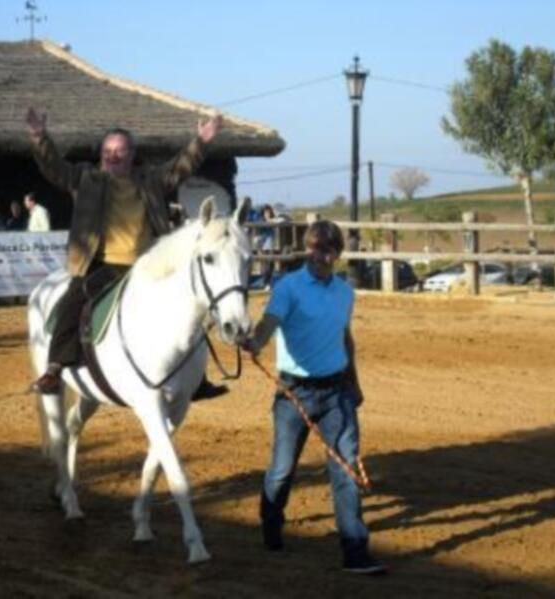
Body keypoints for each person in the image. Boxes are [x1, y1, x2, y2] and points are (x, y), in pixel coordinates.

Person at [26, 107, 226, 395]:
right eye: (108, 150)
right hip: (100, 264)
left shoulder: (151, 180)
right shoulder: (85, 178)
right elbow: (54, 168)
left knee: (187, 304)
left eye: (119, 151)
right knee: (72, 302)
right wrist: (39, 137)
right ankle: (55, 369)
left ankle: (196, 379)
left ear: (132, 155)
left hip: (148, 265)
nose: (112, 155)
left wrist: (202, 141)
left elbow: (181, 167)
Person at [242, 220, 386, 575]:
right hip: (295, 394)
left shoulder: (344, 292)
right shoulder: (288, 287)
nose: (320, 256)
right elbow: (269, 324)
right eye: (314, 248)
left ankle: (355, 549)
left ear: (337, 254)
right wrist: (254, 342)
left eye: (327, 250)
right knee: (282, 469)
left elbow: (344, 337)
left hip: (338, 392)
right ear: (306, 249)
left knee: (346, 467)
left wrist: (355, 382)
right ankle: (271, 521)